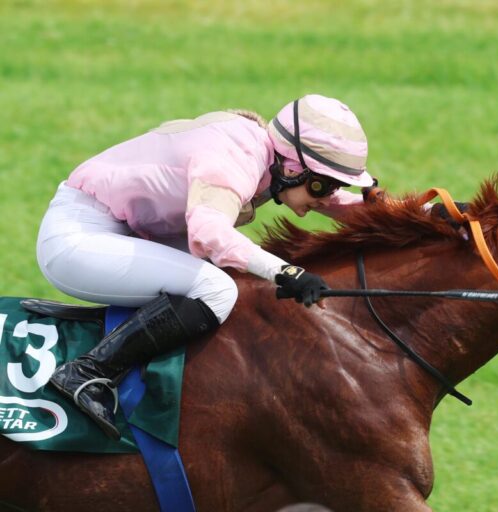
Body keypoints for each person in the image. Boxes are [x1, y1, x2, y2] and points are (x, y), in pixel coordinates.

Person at [36, 94, 376, 440]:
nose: (327, 196)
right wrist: (285, 272)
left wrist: (393, 209)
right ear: (292, 169)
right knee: (217, 290)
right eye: (322, 185)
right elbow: (208, 233)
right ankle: (87, 373)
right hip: (78, 237)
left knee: (231, 280)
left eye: (336, 186)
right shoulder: (235, 158)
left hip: (122, 228)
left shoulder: (264, 154)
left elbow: (330, 202)